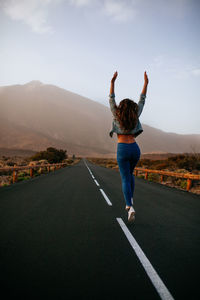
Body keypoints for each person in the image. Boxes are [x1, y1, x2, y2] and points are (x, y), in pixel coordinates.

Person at [109, 71, 149, 223]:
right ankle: (130, 199)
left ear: (120, 107)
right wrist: (146, 83)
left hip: (123, 150)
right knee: (131, 175)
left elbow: (111, 98)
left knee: (125, 178)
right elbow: (142, 100)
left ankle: (129, 206)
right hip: (135, 149)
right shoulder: (135, 115)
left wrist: (112, 82)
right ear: (131, 108)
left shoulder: (116, 114)